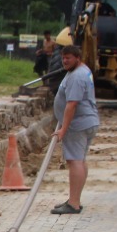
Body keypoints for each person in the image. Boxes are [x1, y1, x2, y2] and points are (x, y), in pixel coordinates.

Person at [51, 44, 99, 214]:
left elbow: (71, 105)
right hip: (86, 122)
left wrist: (63, 129)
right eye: (63, 58)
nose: (65, 61)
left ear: (77, 58)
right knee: (80, 160)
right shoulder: (81, 70)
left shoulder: (77, 77)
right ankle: (75, 199)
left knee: (74, 161)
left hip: (78, 125)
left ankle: (73, 203)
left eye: (68, 58)